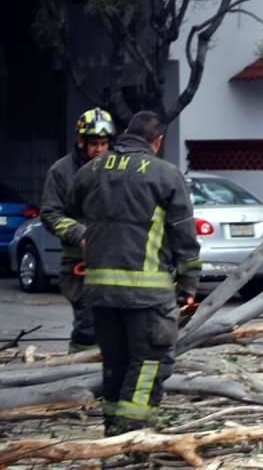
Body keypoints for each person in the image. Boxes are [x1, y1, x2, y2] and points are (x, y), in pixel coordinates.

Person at [66, 110, 201, 436]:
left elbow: (71, 212)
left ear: (124, 134)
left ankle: (111, 435)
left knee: (115, 366)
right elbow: (184, 237)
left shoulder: (91, 169)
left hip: (100, 293)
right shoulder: (165, 175)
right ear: (157, 141)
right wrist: (189, 285)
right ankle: (131, 443)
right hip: (147, 296)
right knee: (148, 365)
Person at [40, 107, 115, 353]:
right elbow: (50, 214)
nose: (99, 150)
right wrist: (79, 233)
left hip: (116, 260)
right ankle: (78, 372)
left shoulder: (117, 167)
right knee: (88, 325)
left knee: (116, 324)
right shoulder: (61, 172)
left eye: (104, 143)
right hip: (78, 265)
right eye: (94, 144)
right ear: (80, 141)